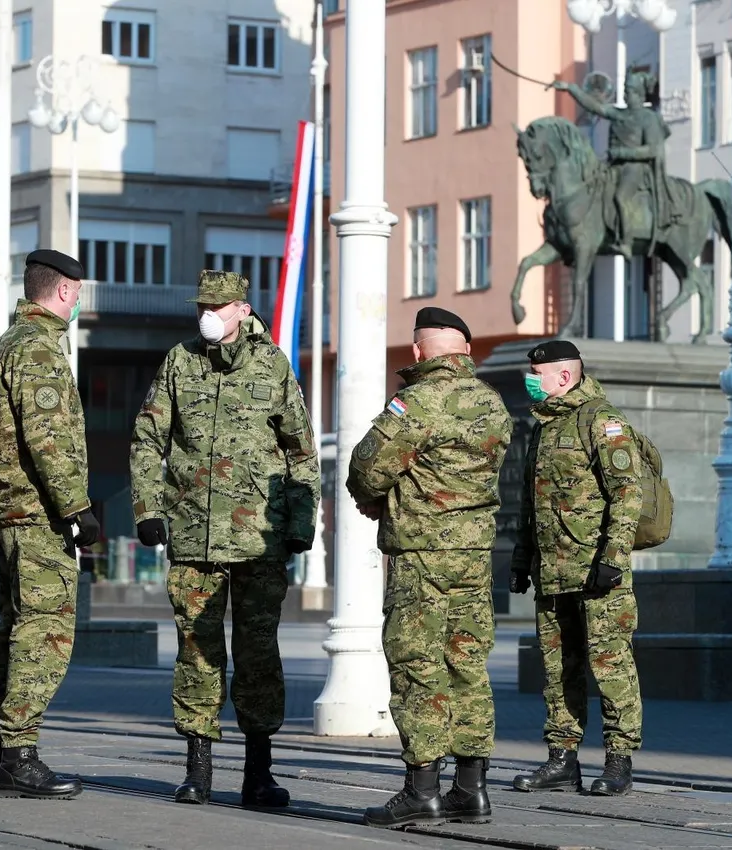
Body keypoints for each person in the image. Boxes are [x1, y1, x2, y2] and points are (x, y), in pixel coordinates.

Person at [129, 269, 320, 807]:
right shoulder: (179, 361)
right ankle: (198, 769)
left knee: (259, 654)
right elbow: (148, 439)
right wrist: (149, 509)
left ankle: (259, 771)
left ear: (242, 309)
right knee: (196, 650)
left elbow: (301, 453)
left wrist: (301, 526)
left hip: (260, 539)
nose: (205, 315)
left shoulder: (273, 364)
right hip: (193, 536)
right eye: (200, 307)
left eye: (216, 306)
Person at [346, 308, 511, 829]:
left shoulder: (415, 402)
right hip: (475, 554)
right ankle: (472, 790)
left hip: (421, 554)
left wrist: (374, 499)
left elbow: (368, 467)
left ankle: (422, 790)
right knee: (468, 664)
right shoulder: (493, 402)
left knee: (418, 664)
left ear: (418, 352)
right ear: (465, 349)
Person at [0, 249, 101, 800]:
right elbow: (47, 440)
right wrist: (77, 508)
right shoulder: (39, 350)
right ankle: (18, 755)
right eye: (79, 294)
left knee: (16, 629)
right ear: (67, 292)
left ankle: (3, 755)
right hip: (38, 515)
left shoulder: (1, 347)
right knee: (44, 631)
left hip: (9, 510)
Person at [508, 340, 643, 797]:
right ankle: (562, 758)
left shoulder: (602, 420)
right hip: (552, 572)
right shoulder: (544, 426)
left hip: (596, 573)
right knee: (558, 670)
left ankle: (619, 760)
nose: (531, 380)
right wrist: (521, 558)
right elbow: (532, 503)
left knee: (610, 666)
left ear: (564, 377)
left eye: (537, 373)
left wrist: (613, 558)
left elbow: (628, 493)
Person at [553, 71, 678, 259]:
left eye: (630, 91)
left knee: (620, 197)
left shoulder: (648, 118)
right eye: (625, 91)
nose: (626, 95)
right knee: (592, 190)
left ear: (640, 94)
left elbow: (652, 149)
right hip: (614, 166)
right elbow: (595, 107)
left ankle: (626, 242)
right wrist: (571, 89)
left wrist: (623, 153)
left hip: (635, 168)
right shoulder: (619, 114)